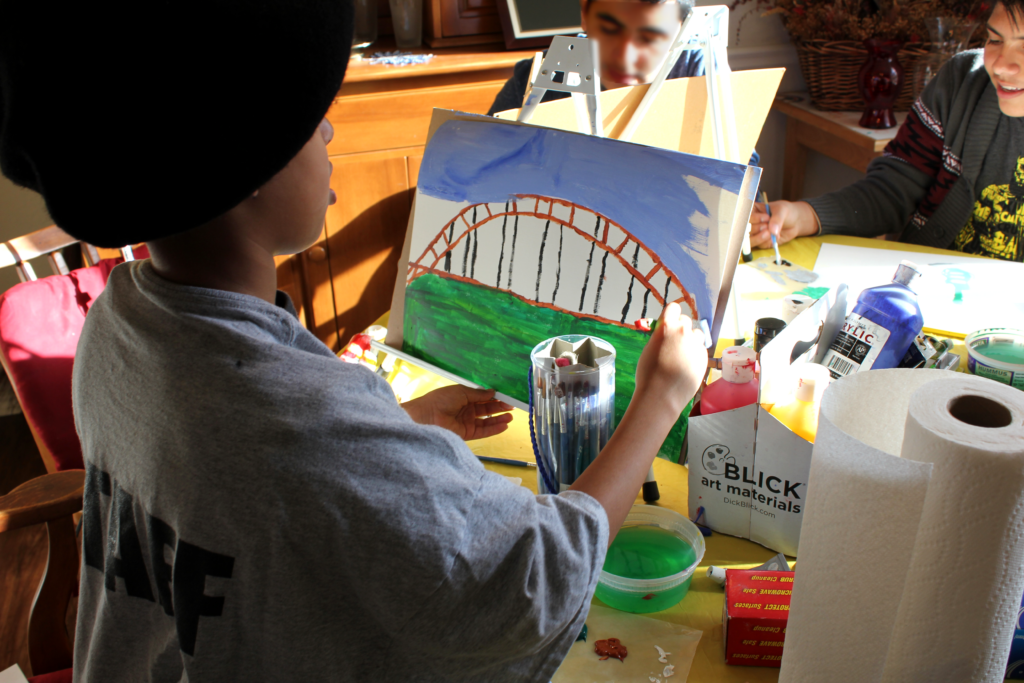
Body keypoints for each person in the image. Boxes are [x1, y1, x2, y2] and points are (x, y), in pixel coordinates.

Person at [0, 1, 708, 681]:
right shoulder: (296, 421)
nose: (330, 135)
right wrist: (659, 396)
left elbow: (233, 489)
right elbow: (535, 578)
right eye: (311, 123)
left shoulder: (117, 325)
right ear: (248, 167)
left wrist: (389, 433)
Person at [749, 0, 1024, 262]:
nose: (1000, 65)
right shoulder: (960, 82)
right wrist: (805, 215)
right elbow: (892, 192)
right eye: (995, 40)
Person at [488, 0, 760, 166]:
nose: (625, 56)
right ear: (584, 13)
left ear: (683, 30)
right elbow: (481, 164)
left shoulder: (699, 69)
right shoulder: (537, 79)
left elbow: (744, 169)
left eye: (650, 38)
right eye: (610, 29)